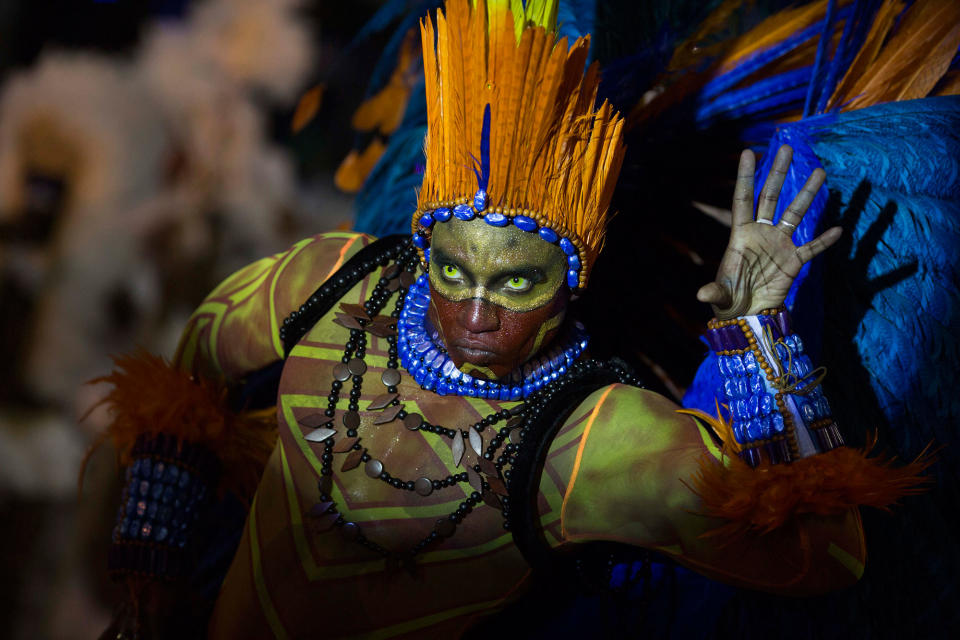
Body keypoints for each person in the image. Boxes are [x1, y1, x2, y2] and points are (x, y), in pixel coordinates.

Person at [98, 1, 927, 637]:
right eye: (451, 269)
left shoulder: (594, 444)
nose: (474, 311)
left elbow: (824, 556)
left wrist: (757, 338)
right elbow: (200, 353)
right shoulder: (334, 281)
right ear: (422, 239)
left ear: (573, 279)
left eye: (518, 284)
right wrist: (154, 564)